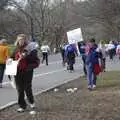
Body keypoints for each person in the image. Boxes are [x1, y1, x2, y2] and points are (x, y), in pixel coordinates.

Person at [11, 34, 40, 112]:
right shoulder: (14, 49)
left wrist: (26, 56)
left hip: (27, 71)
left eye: (23, 40)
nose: (21, 41)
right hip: (17, 71)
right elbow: (10, 59)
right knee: (20, 89)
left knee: (27, 88)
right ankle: (22, 106)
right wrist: (11, 63)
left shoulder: (31, 49)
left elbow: (36, 61)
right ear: (17, 40)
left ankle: (31, 101)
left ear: (25, 40)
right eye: (20, 40)